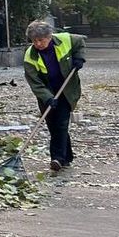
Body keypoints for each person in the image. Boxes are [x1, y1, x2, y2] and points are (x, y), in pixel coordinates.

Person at [22, 21, 86, 171]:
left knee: (61, 123)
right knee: (52, 125)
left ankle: (57, 158)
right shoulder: (30, 56)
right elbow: (35, 82)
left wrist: (79, 58)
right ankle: (67, 156)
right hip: (46, 92)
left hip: (66, 89)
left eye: (41, 40)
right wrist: (47, 97)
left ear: (49, 36)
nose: (37, 44)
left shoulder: (65, 39)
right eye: (34, 41)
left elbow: (80, 42)